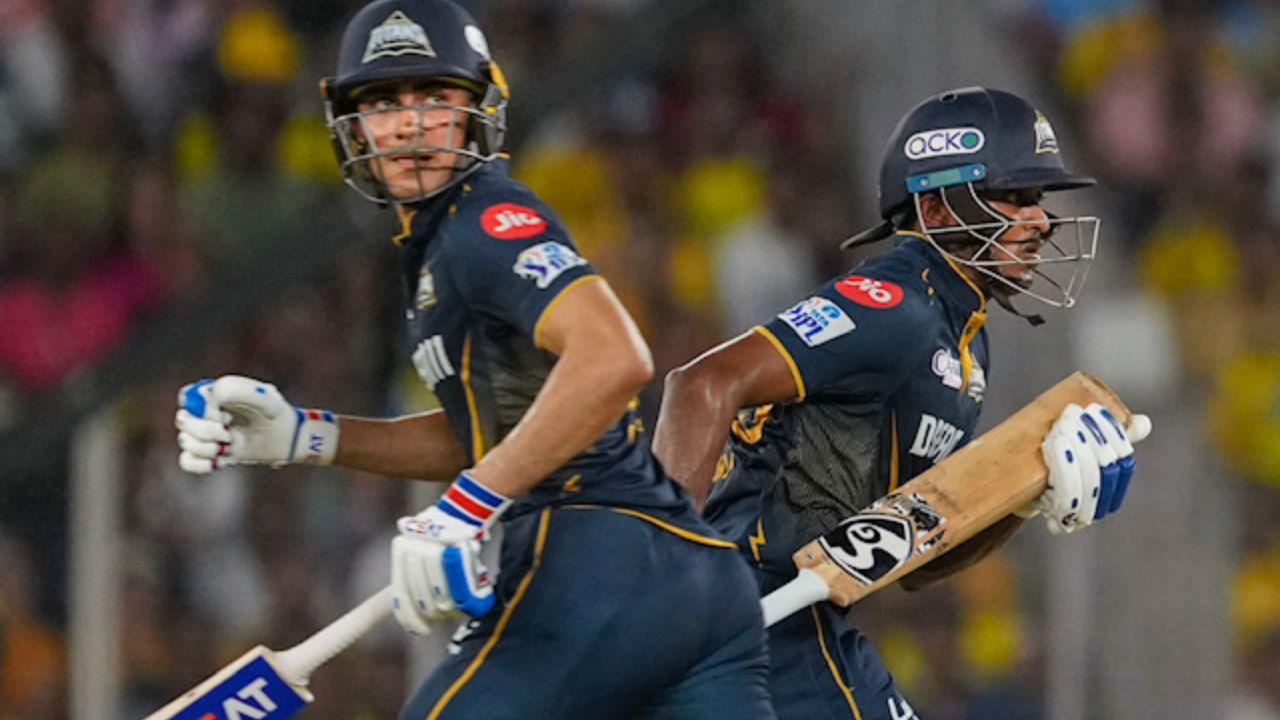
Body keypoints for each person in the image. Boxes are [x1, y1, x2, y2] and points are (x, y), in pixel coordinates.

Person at [173, 1, 774, 717]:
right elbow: (498, 433)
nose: (412, 124)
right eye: (385, 102)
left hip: (589, 560)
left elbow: (614, 359)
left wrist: (466, 506)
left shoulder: (481, 225)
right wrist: (310, 436)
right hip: (689, 580)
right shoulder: (440, 242)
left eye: (436, 97)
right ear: (349, 124)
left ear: (479, 108)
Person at [652, 87, 1149, 720]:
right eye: (1018, 197)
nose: (1042, 221)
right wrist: (661, 583)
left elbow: (911, 558)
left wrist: (1024, 496)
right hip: (747, 621)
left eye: (1040, 201)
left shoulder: (965, 342)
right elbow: (700, 385)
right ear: (939, 209)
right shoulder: (896, 304)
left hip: (802, 622)